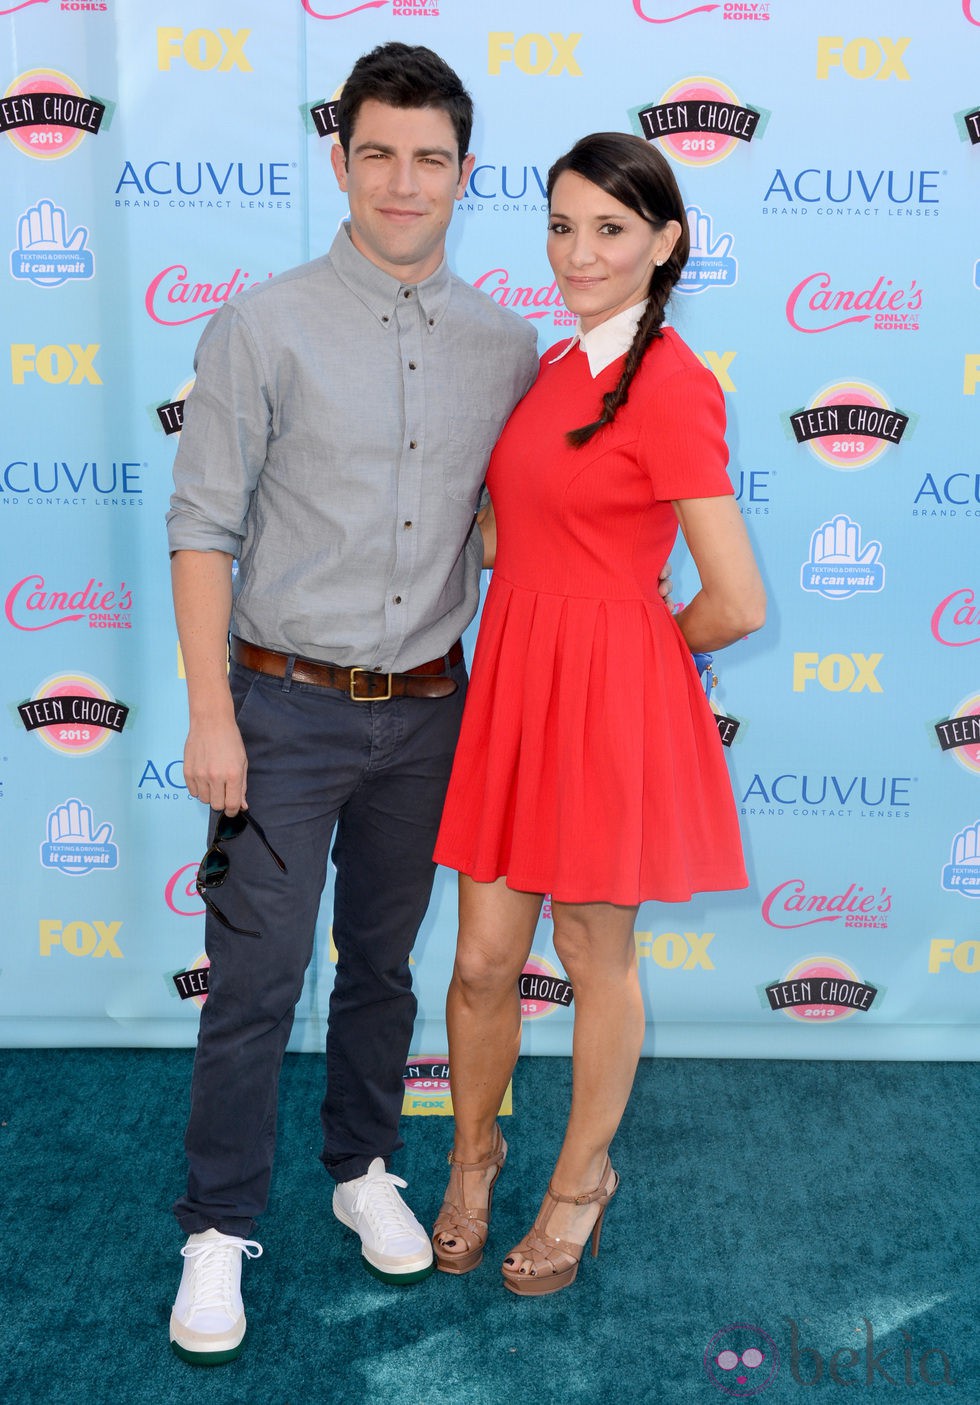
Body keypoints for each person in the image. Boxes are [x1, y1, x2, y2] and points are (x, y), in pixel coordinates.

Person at [164, 43, 539, 1364]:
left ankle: (362, 1164)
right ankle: (216, 1227)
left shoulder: (508, 344)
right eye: (377, 151)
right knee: (256, 978)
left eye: (429, 157)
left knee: (381, 964)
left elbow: (510, 522)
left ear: (464, 175)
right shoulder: (260, 324)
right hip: (282, 709)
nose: (402, 180)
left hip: (434, 712)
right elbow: (203, 526)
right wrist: (212, 714)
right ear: (339, 159)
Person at [430, 132, 766, 1296]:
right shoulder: (548, 366)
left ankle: (579, 1179)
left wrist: (635, 655)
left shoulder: (673, 385)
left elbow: (735, 599)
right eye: (562, 227)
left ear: (665, 242)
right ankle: (473, 1156)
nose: (579, 252)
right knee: (480, 963)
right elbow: (513, 526)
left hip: (600, 702)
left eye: (610, 229)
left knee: (587, 951)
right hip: (514, 687)